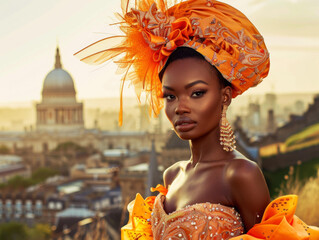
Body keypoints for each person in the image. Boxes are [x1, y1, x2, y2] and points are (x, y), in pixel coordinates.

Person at [75, 0, 319, 239]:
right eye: (170, 96)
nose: (181, 108)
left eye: (197, 93)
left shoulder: (241, 174)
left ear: (224, 97)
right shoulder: (171, 175)